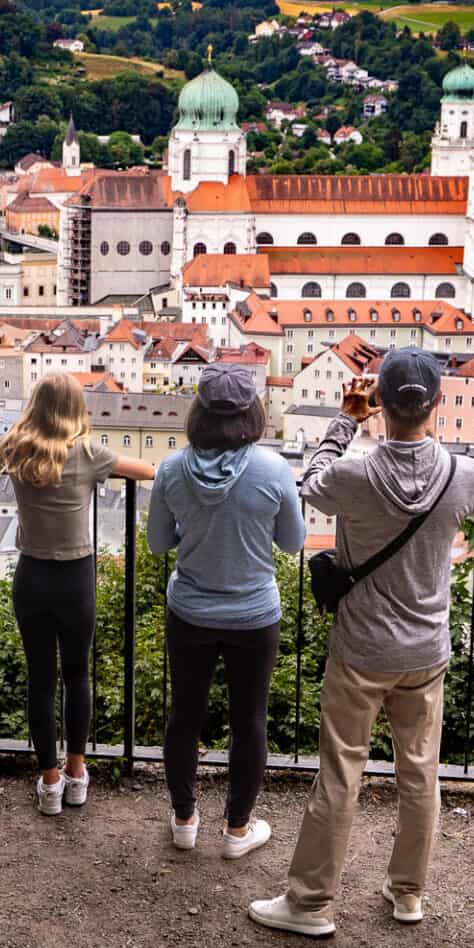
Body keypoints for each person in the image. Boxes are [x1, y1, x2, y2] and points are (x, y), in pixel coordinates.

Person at [249, 351, 474, 937]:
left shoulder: (356, 474)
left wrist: (345, 422)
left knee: (340, 774)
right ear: (435, 403)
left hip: (360, 648)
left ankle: (310, 904)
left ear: (380, 401)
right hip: (426, 650)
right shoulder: (465, 475)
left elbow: (311, 483)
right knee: (420, 773)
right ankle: (408, 894)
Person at [147, 364, 305, 858]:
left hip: (190, 610)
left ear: (199, 413)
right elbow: (293, 543)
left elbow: (156, 543)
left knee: (184, 718)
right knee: (250, 720)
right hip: (254, 614)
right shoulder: (274, 470)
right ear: (251, 413)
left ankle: (184, 821)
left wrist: (189, 532)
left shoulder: (171, 470)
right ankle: (237, 831)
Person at [0, 373, 154, 815]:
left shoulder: (16, 449)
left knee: (41, 680)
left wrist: (12, 439)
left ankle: (49, 780)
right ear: (76, 410)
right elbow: (147, 471)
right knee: (77, 675)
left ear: (35, 407)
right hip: (76, 578)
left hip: (32, 575)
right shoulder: (90, 453)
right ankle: (76, 772)